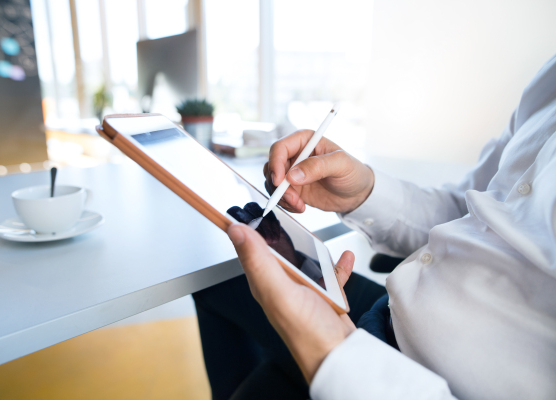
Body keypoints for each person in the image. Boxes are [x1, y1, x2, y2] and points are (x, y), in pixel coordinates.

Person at [193, 54, 556, 399]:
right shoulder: (549, 78)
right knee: (217, 276)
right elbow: (471, 208)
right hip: (385, 315)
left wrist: (331, 355)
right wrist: (362, 192)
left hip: (393, 379)